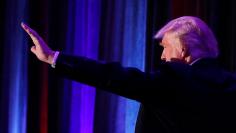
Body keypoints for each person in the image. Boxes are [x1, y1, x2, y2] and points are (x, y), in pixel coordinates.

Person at [21, 16, 236, 133]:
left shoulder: (176, 79)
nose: (162, 56)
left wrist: (54, 58)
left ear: (183, 49)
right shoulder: (231, 84)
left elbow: (114, 76)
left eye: (165, 47)